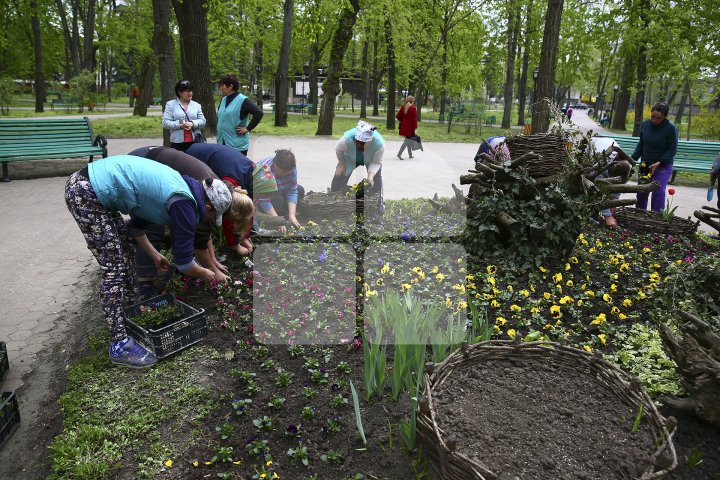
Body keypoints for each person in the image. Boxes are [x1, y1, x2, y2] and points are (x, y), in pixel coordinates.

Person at [64, 155, 232, 368]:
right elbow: (185, 264)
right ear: (208, 207)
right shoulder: (184, 204)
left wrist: (154, 254)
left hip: (90, 187)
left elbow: (134, 228)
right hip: (86, 192)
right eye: (213, 216)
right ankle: (119, 344)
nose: (208, 221)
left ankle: (133, 312)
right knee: (114, 269)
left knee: (125, 247)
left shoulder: (181, 188)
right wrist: (207, 273)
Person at [127, 146, 254, 285]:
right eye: (233, 221)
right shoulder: (210, 201)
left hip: (155, 157)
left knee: (178, 224)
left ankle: (179, 265)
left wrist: (214, 262)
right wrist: (212, 271)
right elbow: (199, 244)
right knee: (153, 226)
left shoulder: (220, 192)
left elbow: (205, 234)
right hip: (142, 162)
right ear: (231, 213)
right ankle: (145, 284)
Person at [187, 143, 257, 256]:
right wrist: (236, 245)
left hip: (210, 155)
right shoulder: (232, 180)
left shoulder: (251, 176)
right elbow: (227, 212)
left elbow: (247, 210)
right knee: (204, 208)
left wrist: (245, 238)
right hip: (194, 156)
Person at [632, 102, 678, 212]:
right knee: (642, 190)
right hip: (646, 164)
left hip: (663, 165)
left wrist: (659, 163)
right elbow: (641, 144)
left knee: (658, 191)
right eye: (653, 116)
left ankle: (656, 217)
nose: (654, 120)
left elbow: (672, 149)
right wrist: (633, 158)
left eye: (658, 118)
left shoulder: (670, 128)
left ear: (664, 117)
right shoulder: (645, 124)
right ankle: (640, 215)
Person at [253, 149, 304, 234]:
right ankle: (270, 215)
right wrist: (277, 221)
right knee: (278, 200)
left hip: (280, 189)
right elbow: (264, 200)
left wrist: (292, 215)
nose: (288, 174)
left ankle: (284, 213)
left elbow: (292, 190)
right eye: (284, 172)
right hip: (261, 197)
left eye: (289, 171)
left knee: (300, 190)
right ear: (275, 165)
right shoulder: (265, 170)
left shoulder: (290, 167)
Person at [333, 120, 384, 200]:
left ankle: (377, 202)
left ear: (370, 140)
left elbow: (376, 162)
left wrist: (370, 176)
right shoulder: (346, 140)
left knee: (375, 178)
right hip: (350, 158)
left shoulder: (379, 144)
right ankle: (334, 198)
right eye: (358, 142)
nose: (360, 145)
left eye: (364, 143)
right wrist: (341, 163)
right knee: (339, 174)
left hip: (370, 159)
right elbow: (338, 149)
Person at [216, 74, 264, 156]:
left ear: (230, 86)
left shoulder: (243, 100)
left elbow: (259, 113)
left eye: (222, 85)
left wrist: (248, 128)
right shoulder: (224, 99)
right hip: (222, 142)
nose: (220, 88)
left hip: (236, 145)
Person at [162, 80, 206, 152]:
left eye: (191, 91)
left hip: (195, 141)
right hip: (178, 142)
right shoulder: (170, 104)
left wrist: (192, 123)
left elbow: (203, 121)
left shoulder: (197, 105)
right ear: (180, 92)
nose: (190, 93)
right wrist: (180, 125)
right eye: (187, 91)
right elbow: (165, 123)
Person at [396, 95, 418, 160]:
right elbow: (414, 120)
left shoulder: (403, 107)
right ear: (412, 101)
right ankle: (399, 154)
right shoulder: (413, 109)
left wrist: (402, 121)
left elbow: (397, 116)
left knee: (408, 140)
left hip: (404, 127)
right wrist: (415, 128)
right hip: (410, 128)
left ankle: (410, 155)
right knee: (407, 141)